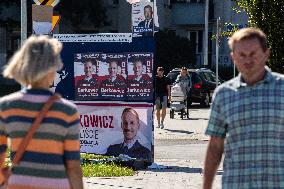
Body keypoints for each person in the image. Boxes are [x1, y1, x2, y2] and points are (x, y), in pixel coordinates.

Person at [0, 35, 83, 189]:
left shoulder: (6, 106)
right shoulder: (67, 110)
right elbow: (73, 166)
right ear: (52, 68)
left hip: (18, 184)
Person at [203, 28, 280, 189]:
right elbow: (215, 146)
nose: (248, 60)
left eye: (253, 54)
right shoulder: (223, 94)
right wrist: (206, 186)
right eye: (242, 55)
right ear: (233, 57)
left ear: (266, 54)